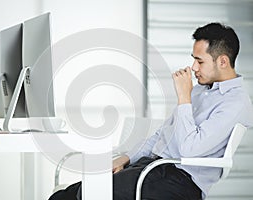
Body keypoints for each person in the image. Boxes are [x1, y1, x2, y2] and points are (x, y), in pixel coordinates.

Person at [48, 22, 253, 200]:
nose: (193, 68)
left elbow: (190, 150)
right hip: (154, 167)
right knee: (68, 193)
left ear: (223, 61)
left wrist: (184, 98)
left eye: (200, 61)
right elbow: (161, 135)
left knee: (88, 193)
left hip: (180, 181)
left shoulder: (235, 104)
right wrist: (127, 158)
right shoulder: (200, 91)